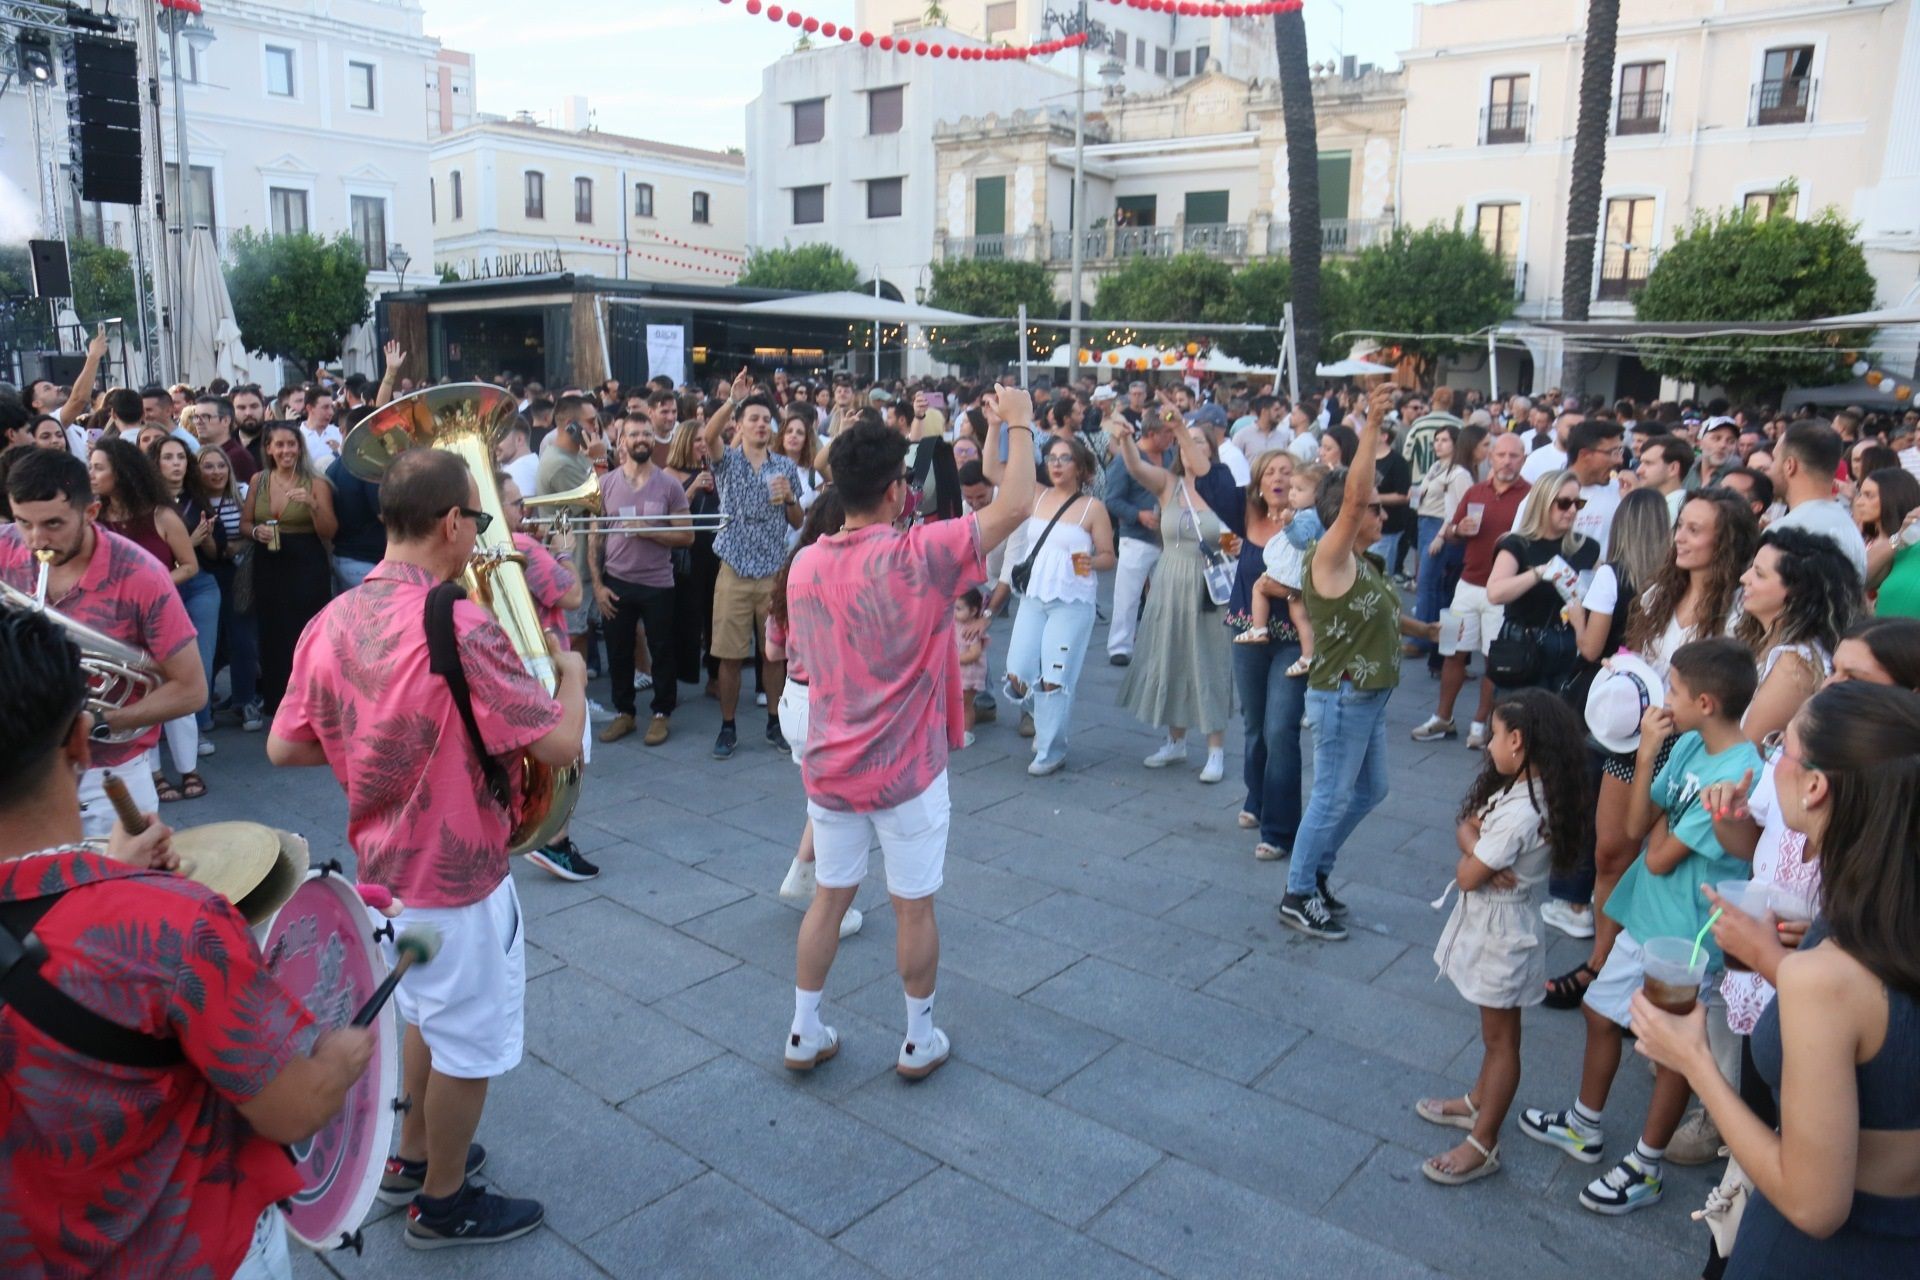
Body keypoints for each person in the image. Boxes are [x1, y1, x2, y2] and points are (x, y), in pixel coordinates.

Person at [269, 448, 586, 1249]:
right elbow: (558, 744)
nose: (479, 535)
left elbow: (284, 746)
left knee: (420, 1014)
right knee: (470, 1043)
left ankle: (412, 1155)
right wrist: (573, 675)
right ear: (451, 522)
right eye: (477, 521)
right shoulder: (460, 618)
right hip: (463, 880)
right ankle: (444, 1203)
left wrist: (368, 744)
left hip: (385, 878)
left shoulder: (332, 618)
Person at [0, 606, 374, 1279]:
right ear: (81, 744)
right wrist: (341, 1060)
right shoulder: (174, 927)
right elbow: (291, 1109)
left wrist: (112, 873)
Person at [780, 392, 1036, 1081]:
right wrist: (1017, 421)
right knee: (912, 906)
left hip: (832, 764)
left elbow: (802, 660)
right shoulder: (920, 554)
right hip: (906, 770)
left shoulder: (806, 565)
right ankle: (917, 1039)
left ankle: (804, 1029)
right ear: (898, 491)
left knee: (830, 896)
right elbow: (1013, 506)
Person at [1631, 681, 1920, 1276]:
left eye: (1778, 747)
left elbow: (1815, 1205)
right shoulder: (1887, 921)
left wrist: (1694, 1062)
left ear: (1816, 785)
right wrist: (1775, 961)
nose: (1767, 763)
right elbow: (1885, 1036)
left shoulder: (1830, 972)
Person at [1522, 638, 1762, 1216]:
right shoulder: (1683, 748)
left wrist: (1658, 832)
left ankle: (1646, 1165)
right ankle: (1585, 1124)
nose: (1664, 699)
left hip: (1688, 937)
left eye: (1673, 690)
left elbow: (1656, 854)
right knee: (1599, 1012)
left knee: (1675, 1046)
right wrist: (1650, 753)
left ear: (1704, 702)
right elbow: (1636, 828)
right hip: (1647, 915)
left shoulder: (1740, 771)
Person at [1547, 490, 1760, 1010]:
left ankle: (1659, 972)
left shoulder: (1740, 610)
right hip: (1639, 737)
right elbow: (1631, 658)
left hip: (1695, 749)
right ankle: (1603, 961)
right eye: (1679, 527)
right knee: (1610, 851)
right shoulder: (1656, 594)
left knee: (1663, 862)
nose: (1680, 538)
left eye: (1694, 529)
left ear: (1725, 539)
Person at [1418, 689, 1594, 1185]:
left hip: (1503, 933)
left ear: (1517, 741)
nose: (1489, 743)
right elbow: (1466, 827)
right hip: (1495, 926)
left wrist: (1472, 858)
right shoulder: (1522, 787)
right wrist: (1476, 850)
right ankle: (1477, 1102)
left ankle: (1483, 1141)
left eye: (1495, 734)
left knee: (1501, 1041)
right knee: (1495, 1034)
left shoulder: (1522, 812)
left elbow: (1468, 872)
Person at [1282, 382, 1438, 940]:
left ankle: (1317, 873)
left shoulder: (1364, 565)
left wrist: (1430, 629)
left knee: (1371, 792)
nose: (1377, 512)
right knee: (1330, 795)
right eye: (1370, 508)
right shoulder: (1332, 555)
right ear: (1346, 516)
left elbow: (1385, 615)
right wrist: (1372, 422)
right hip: (1343, 694)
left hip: (1369, 695)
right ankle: (1299, 893)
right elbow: (1352, 497)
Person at [3, 448, 205, 833]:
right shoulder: (5, 547)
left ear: (91, 513)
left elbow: (191, 690)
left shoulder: (142, 575)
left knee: (118, 886)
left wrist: (99, 720)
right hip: (20, 768)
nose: (34, 539)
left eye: (53, 524)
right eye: (22, 522)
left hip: (109, 776)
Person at [1111, 399, 1236, 785]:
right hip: (1169, 580)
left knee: (1211, 661)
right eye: (1186, 440)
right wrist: (1126, 438)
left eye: (1199, 441)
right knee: (1172, 656)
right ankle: (1175, 740)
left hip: (1209, 586)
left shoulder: (1226, 487)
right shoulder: (1169, 483)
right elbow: (1133, 466)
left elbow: (1240, 535)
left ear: (1210, 452)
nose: (1191, 446)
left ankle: (1215, 750)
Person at [996, 435, 1114, 776]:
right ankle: (1047, 722)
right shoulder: (1038, 495)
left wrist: (1094, 561)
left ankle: (1051, 749)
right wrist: (996, 427)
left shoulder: (1093, 509)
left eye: (1065, 458)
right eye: (1051, 458)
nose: (1056, 464)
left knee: (1056, 676)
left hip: (1072, 601)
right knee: (1018, 671)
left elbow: (1108, 556)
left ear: (1080, 467)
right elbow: (994, 470)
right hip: (1033, 598)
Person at [700, 369, 803, 760]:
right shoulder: (727, 461)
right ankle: (728, 725)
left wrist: (790, 498)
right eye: (753, 419)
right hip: (734, 567)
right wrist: (732, 400)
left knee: (773, 653)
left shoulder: (785, 467)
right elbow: (709, 437)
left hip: (774, 570)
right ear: (740, 426)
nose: (761, 425)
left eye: (766, 420)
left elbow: (797, 523)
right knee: (728, 653)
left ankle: (775, 720)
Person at [1411, 433, 1532, 747]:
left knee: (1495, 660)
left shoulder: (1531, 497)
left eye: (1514, 456)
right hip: (1466, 584)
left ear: (1524, 458)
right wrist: (1456, 530)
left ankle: (1480, 724)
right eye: (1501, 454)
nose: (1507, 461)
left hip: (1504, 593)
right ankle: (1442, 717)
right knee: (1451, 649)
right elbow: (1450, 530)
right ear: (1490, 457)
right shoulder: (1475, 490)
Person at [592, 416, 692, 747]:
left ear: (653, 440)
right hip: (616, 581)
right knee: (619, 652)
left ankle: (662, 714)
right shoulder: (605, 485)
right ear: (621, 442)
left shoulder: (669, 486)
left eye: (646, 434)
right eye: (634, 434)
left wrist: (648, 530)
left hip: (657, 582)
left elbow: (687, 536)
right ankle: (625, 713)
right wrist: (597, 584)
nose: (641, 439)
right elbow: (595, 539)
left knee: (662, 649)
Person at [1735, 527, 1863, 742]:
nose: (1743, 578)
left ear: (1796, 592)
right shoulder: (1759, 639)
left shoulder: (1796, 665)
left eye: (1759, 574)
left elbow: (1748, 751)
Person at [244, 422, 336, 715]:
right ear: (268, 449)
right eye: (279, 445)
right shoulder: (259, 480)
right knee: (271, 631)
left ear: (300, 447)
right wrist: (256, 530)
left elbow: (329, 530)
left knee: (305, 632)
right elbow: (246, 522)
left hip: (306, 562)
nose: (286, 450)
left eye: (291, 444)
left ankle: (311, 702)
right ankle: (277, 700)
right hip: (268, 561)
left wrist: (312, 505)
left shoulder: (316, 482)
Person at [1484, 470, 1599, 695]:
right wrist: (1538, 573)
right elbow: (1495, 593)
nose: (1573, 510)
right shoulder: (1517, 544)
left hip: (1568, 645)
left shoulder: (1587, 547)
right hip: (1524, 645)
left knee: (1558, 722)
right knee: (1518, 720)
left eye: (1579, 503)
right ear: (1543, 503)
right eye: (1565, 503)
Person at [191, 443, 262, 731]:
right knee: (209, 644)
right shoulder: (193, 502)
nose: (217, 471)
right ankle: (202, 707)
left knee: (243, 638)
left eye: (221, 465)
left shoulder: (243, 493)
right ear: (197, 470)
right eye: (208, 466)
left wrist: (236, 546)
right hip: (205, 575)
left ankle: (245, 700)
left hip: (239, 576)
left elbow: (255, 533)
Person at [1102, 409, 1175, 666]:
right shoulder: (1124, 461)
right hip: (1136, 536)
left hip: (1167, 537)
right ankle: (1119, 646)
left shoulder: (1171, 456)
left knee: (1166, 595)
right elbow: (1111, 500)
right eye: (1167, 433)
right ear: (1151, 433)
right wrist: (1138, 515)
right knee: (1128, 594)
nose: (1172, 437)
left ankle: (1160, 645)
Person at [1768, 420, 1868, 582]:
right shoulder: (1850, 528)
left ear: (1789, 465)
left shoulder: (1785, 531)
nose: (1770, 469)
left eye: (1774, 459)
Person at [1410, 424, 1475, 660]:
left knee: (1429, 583)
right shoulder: (1436, 467)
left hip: (1440, 526)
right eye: (1436, 440)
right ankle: (1431, 639)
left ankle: (1422, 639)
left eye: (1445, 440)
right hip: (1424, 522)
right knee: (1430, 584)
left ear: (1455, 444)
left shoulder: (1459, 473)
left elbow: (1459, 508)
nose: (1438, 444)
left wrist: (1441, 534)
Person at [955, 588, 988, 744]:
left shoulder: (972, 629)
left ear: (973, 610)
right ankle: (955, 728)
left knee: (965, 704)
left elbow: (974, 653)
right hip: (956, 672)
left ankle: (966, 731)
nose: (954, 612)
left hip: (969, 672)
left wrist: (955, 659)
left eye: (959, 609)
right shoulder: (955, 624)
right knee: (955, 701)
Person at [1637, 434, 1694, 521]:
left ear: (1673, 468)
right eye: (1641, 463)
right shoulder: (1655, 505)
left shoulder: (1681, 511)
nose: (1639, 470)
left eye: (1648, 463)